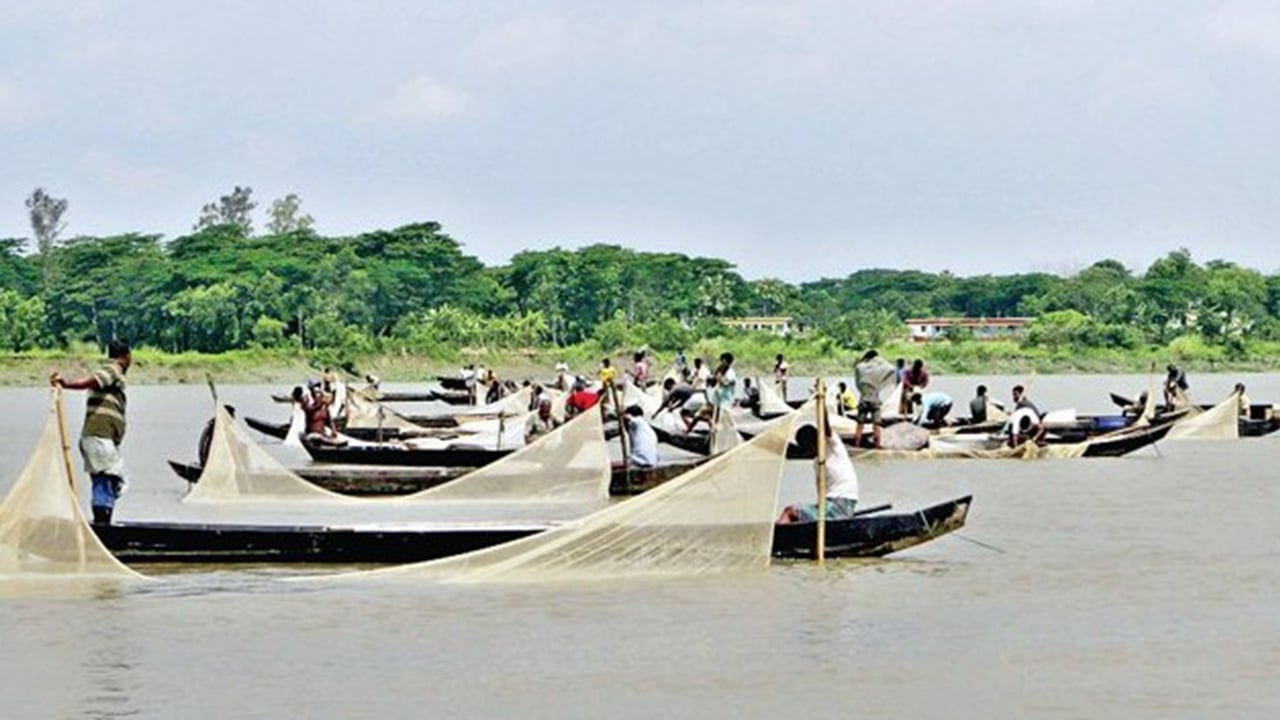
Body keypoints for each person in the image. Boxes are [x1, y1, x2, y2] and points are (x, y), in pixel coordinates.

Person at [50, 339, 132, 526]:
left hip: (99, 438)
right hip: (99, 437)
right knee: (106, 478)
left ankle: (102, 524)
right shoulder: (115, 368)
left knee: (106, 480)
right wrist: (67, 384)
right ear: (127, 356)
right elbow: (94, 381)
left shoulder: (113, 373)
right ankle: (103, 527)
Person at [777, 424, 859, 524]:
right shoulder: (817, 463)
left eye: (810, 446)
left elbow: (825, 424)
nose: (810, 450)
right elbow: (821, 493)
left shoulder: (832, 445)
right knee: (798, 517)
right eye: (806, 448)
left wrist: (821, 408)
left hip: (840, 502)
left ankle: (776, 535)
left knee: (790, 511)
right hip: (829, 504)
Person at [853, 350, 893, 449]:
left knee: (860, 425)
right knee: (876, 426)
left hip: (863, 399)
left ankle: (856, 446)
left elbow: (858, 383)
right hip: (875, 400)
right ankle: (877, 446)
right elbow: (891, 368)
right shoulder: (878, 370)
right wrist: (879, 360)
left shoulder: (861, 368)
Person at [623, 405, 659, 470]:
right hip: (650, 459)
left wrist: (622, 414)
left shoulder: (639, 422)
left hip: (641, 459)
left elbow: (628, 418)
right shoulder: (645, 427)